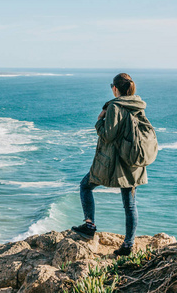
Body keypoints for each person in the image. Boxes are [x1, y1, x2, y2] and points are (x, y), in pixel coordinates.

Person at [72, 73, 149, 256]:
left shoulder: (114, 106)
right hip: (132, 161)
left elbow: (108, 135)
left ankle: (89, 225)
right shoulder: (138, 104)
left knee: (85, 186)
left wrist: (99, 120)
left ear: (115, 88)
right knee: (130, 204)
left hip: (114, 162)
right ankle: (128, 246)